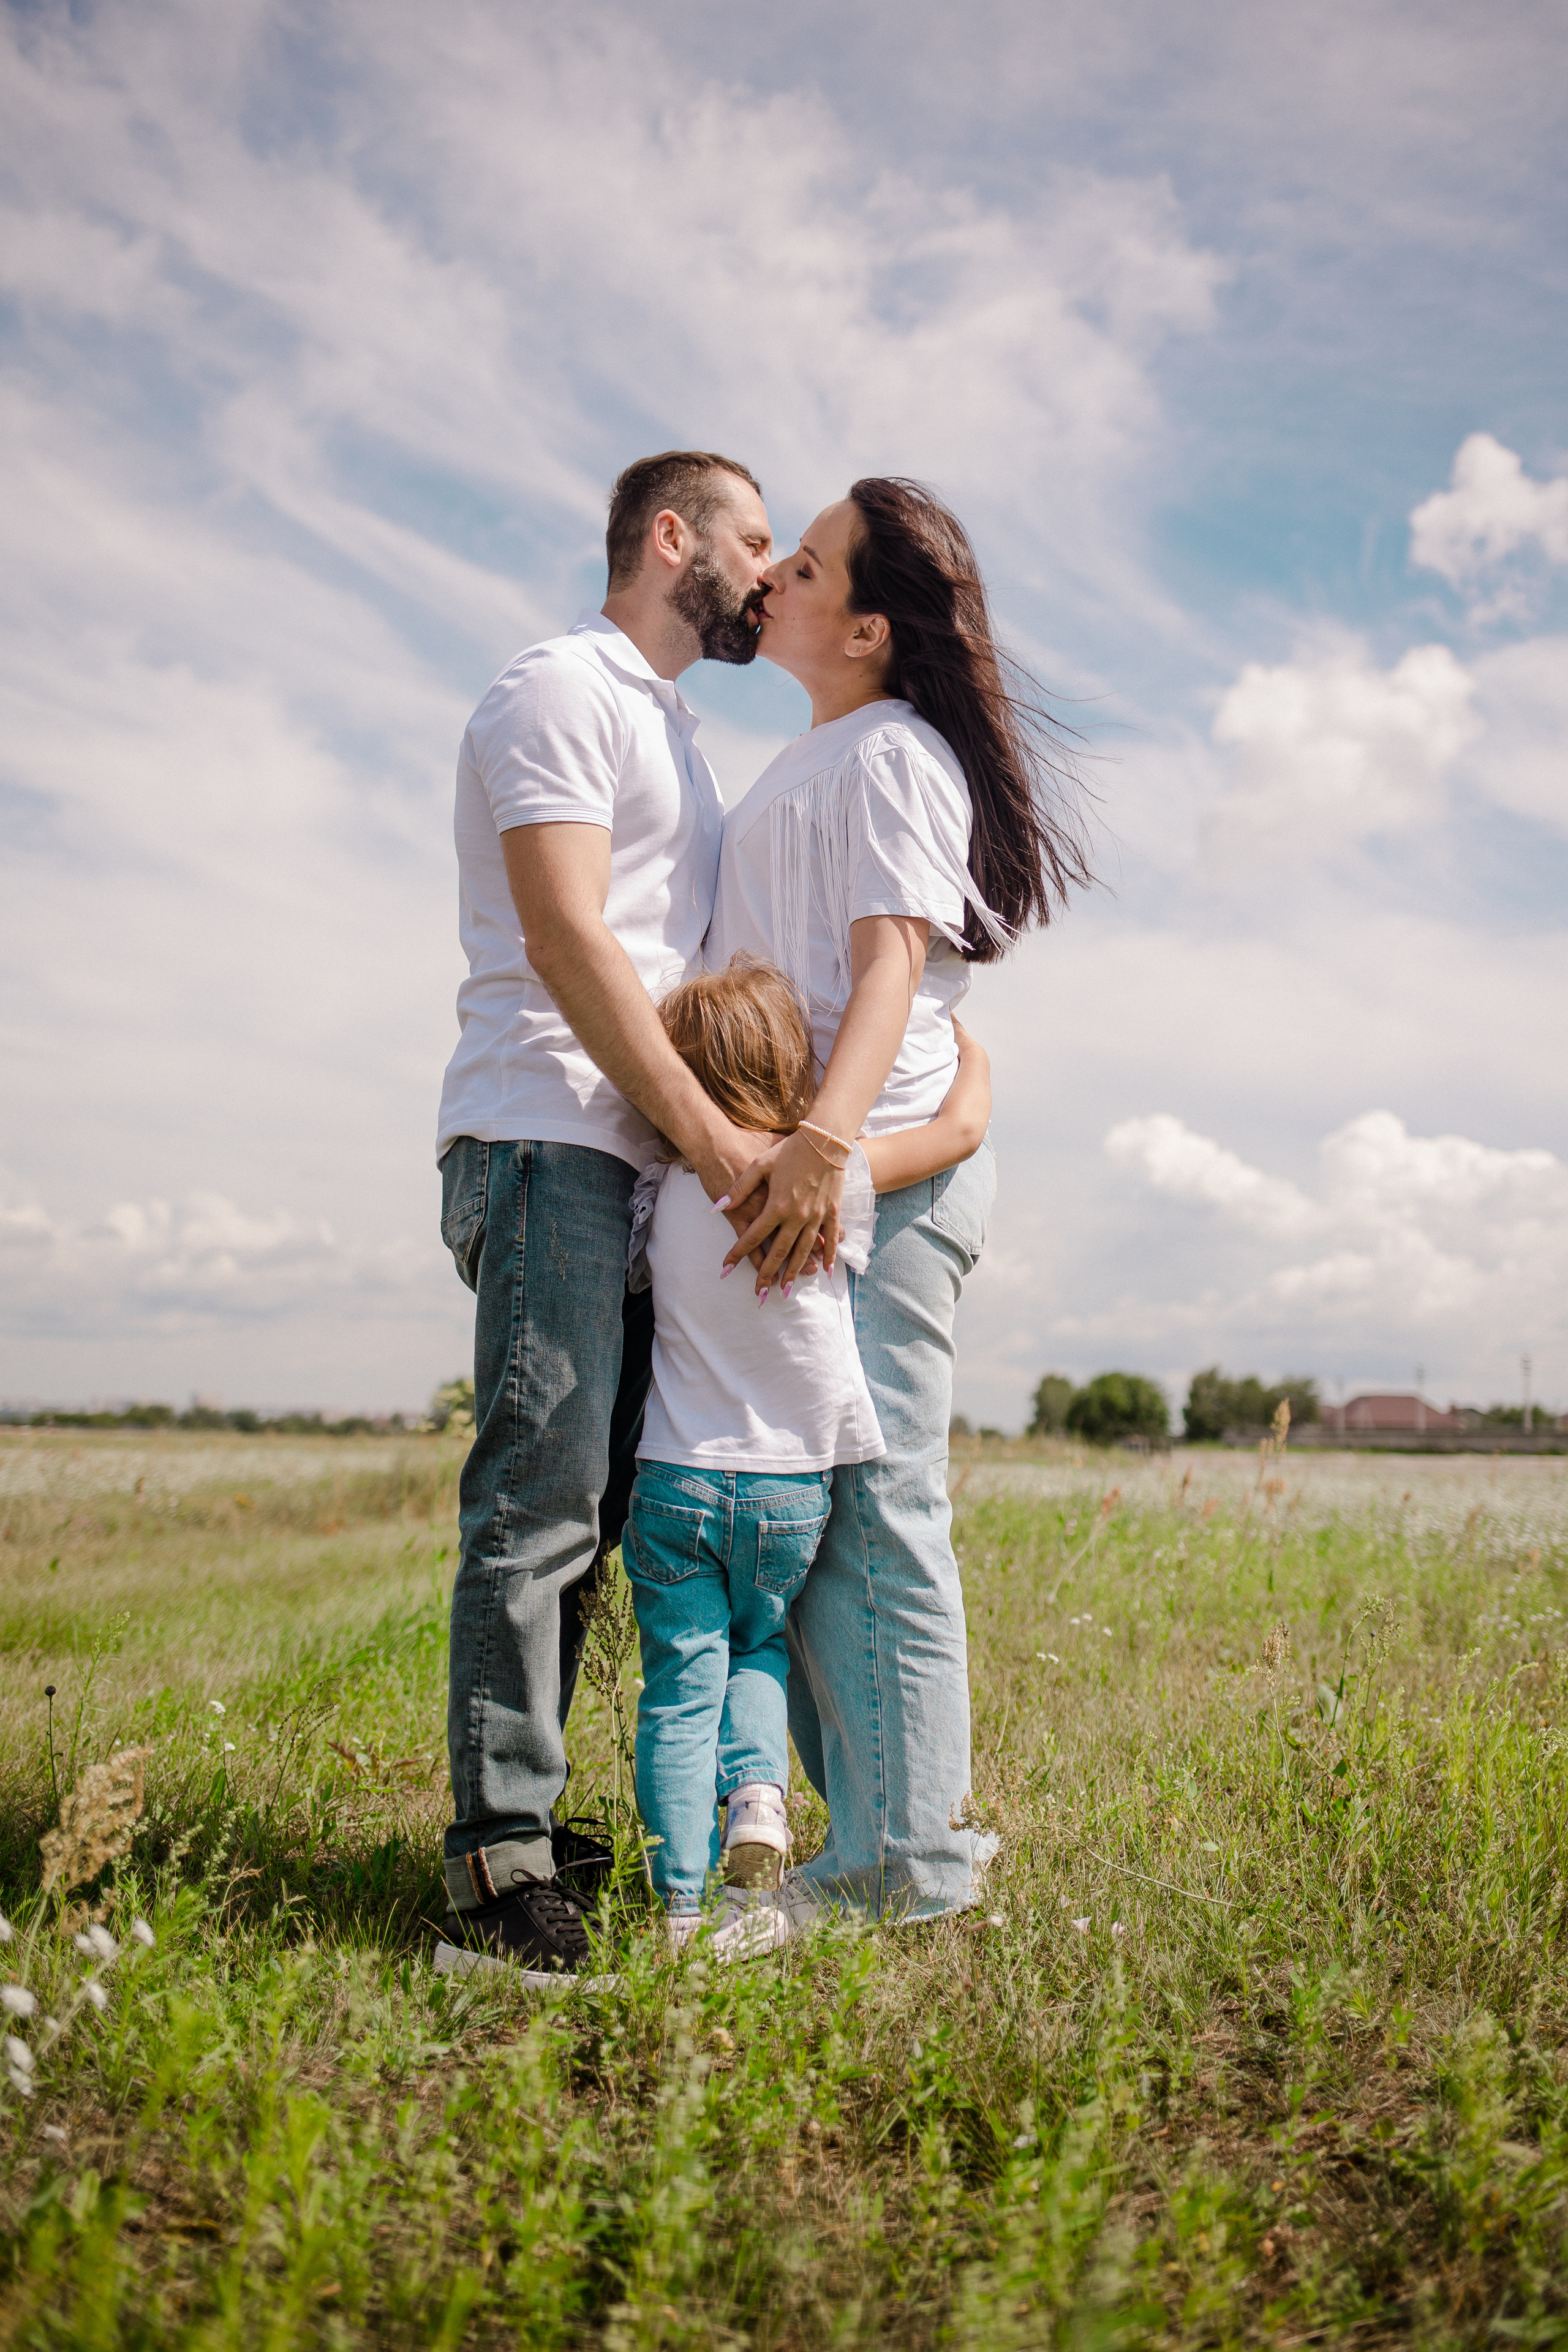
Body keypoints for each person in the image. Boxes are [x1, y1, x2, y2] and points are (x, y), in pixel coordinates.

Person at [706, 477, 1088, 1923]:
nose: (773, 580)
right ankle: (887, 1830)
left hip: (869, 1187)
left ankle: (902, 1864)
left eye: (801, 567)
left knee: (874, 1516)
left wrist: (818, 1142)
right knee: (819, 1532)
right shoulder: (825, 756)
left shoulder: (882, 754)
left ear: (866, 626)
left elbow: (884, 968)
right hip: (837, 1178)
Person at [434, 451, 778, 1977]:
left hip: (636, 1167)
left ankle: (538, 1826)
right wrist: (713, 1144)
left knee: (608, 1522)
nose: (771, 571)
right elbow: (568, 937)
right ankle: (498, 1872)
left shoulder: (678, 735)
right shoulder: (556, 688)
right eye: (755, 539)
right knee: (539, 1502)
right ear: (669, 537)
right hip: (547, 1137)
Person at [621, 956, 991, 1956]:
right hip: (792, 1494)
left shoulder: (662, 1192)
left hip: (677, 1483)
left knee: (681, 1681)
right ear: (793, 1065)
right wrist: (972, 1057)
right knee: (760, 1649)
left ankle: (684, 1905)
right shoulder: (829, 1186)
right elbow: (959, 1133)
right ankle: (761, 1803)